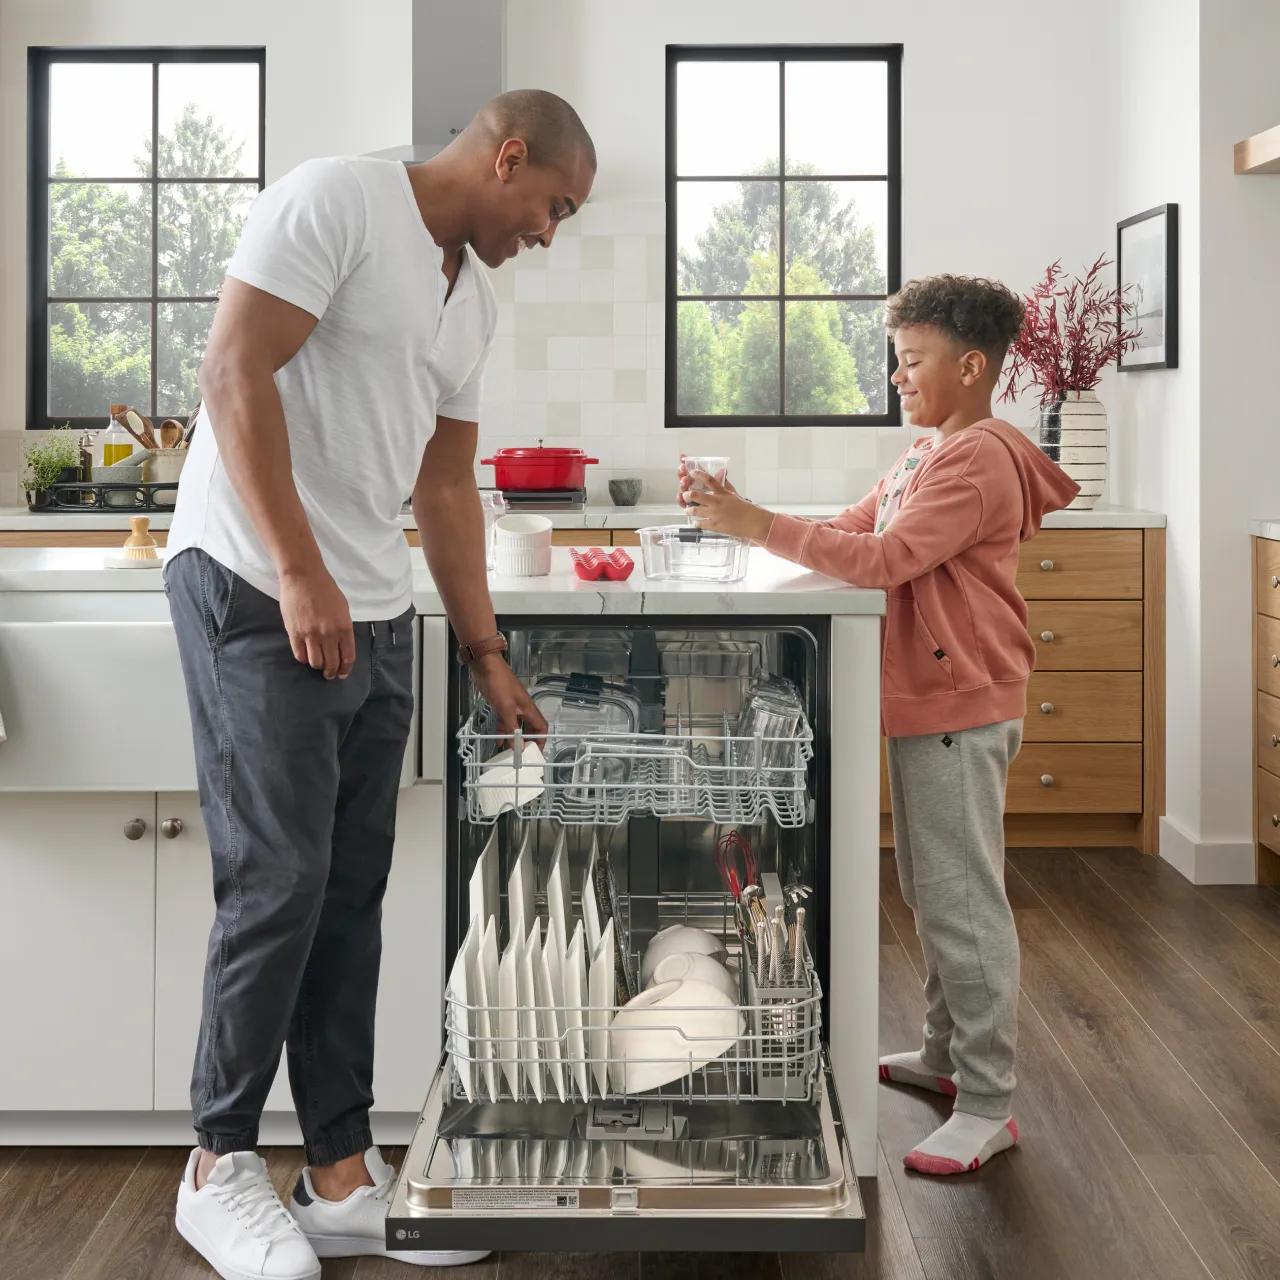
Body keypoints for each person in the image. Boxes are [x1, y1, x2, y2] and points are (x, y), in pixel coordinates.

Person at [165, 90, 594, 1278]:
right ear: (507, 156)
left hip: (372, 604)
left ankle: (339, 1172)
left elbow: (446, 488)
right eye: (552, 204)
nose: (549, 232)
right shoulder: (335, 199)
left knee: (350, 888)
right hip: (256, 580)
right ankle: (217, 1161)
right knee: (280, 878)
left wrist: (488, 654)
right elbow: (233, 371)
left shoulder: (475, 297)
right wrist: (299, 571)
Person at [679, 274, 1078, 1175]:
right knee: (936, 892)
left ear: (970, 367)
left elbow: (885, 560)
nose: (897, 376)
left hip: (959, 704)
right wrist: (748, 514)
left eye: (911, 360)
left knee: (962, 900)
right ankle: (945, 1058)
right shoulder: (925, 454)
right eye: (896, 360)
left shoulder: (974, 460)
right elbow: (853, 528)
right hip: (936, 702)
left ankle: (987, 1101)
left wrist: (754, 522)